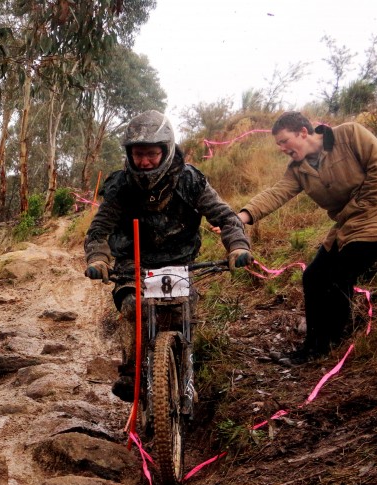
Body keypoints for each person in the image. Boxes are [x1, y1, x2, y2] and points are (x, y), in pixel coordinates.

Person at [84, 110, 252, 399]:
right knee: (133, 306)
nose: (145, 161)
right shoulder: (120, 186)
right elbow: (99, 230)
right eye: (138, 154)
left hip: (179, 261)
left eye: (151, 154)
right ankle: (132, 372)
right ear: (129, 154)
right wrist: (98, 258)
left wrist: (237, 245)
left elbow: (225, 217)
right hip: (133, 262)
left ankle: (187, 373)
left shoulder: (191, 181)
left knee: (184, 310)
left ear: (166, 149)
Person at [238, 111, 377, 364]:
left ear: (304, 132)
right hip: (349, 227)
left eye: (284, 141)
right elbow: (277, 193)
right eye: (278, 144)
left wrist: (355, 207)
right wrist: (242, 216)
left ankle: (328, 344)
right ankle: (314, 346)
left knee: (340, 274)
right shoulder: (298, 169)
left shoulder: (350, 134)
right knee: (314, 276)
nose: (281, 148)